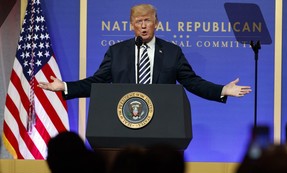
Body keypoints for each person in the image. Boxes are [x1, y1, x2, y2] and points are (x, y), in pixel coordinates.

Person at [38, 4, 251, 102]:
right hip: (124, 121)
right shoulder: (116, 51)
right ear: (131, 25)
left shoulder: (171, 52)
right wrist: (64, 86)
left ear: (156, 23)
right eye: (138, 22)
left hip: (162, 123)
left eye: (147, 20)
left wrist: (222, 90)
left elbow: (192, 82)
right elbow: (98, 82)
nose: (143, 26)